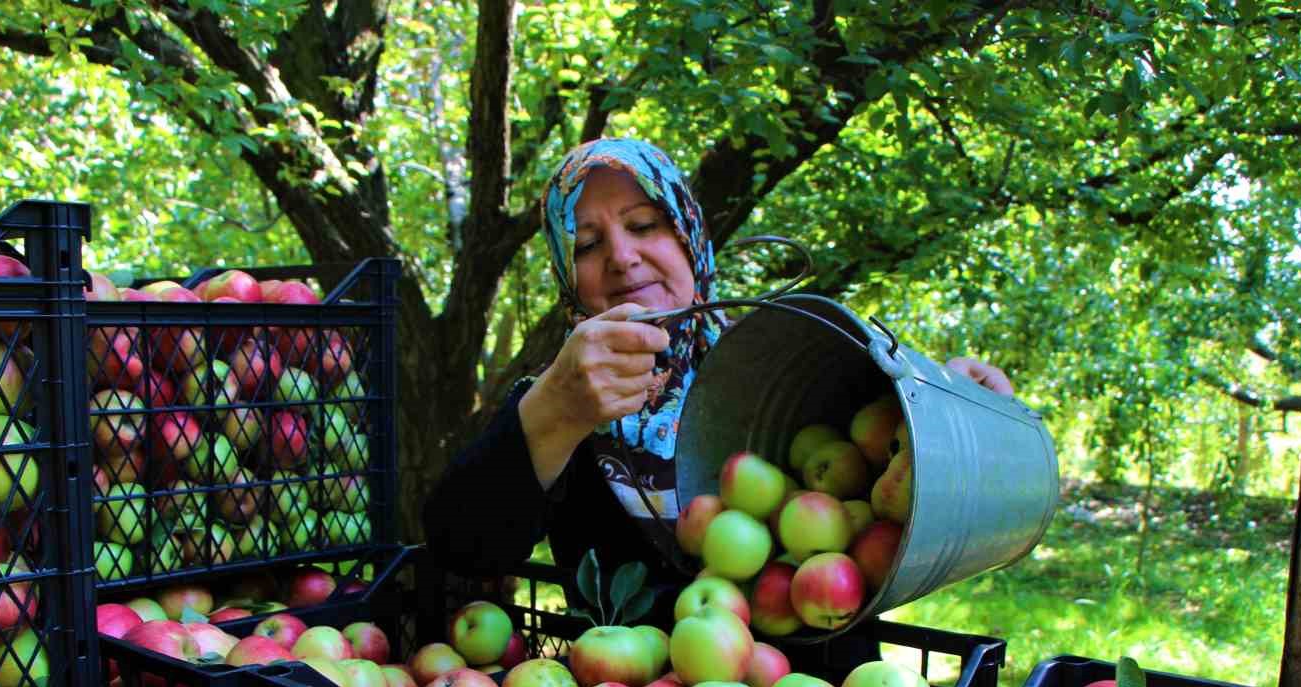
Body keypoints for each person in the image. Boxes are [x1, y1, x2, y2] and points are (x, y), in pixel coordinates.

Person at [423, 137, 1013, 582]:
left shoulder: (791, 365)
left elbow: (903, 476)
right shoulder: (559, 401)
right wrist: (556, 408)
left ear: (689, 236)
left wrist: (946, 402)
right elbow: (460, 549)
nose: (623, 258)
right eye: (587, 244)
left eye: (644, 225)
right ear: (568, 277)